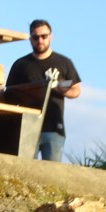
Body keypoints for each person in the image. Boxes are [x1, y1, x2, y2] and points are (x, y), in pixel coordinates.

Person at [5, 19, 81, 161]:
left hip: (54, 128)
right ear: (30, 39)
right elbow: (8, 94)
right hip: (26, 127)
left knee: (52, 171)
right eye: (35, 37)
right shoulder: (20, 65)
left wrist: (61, 89)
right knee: (25, 169)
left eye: (44, 36)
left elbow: (76, 90)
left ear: (51, 37)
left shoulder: (63, 62)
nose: (40, 40)